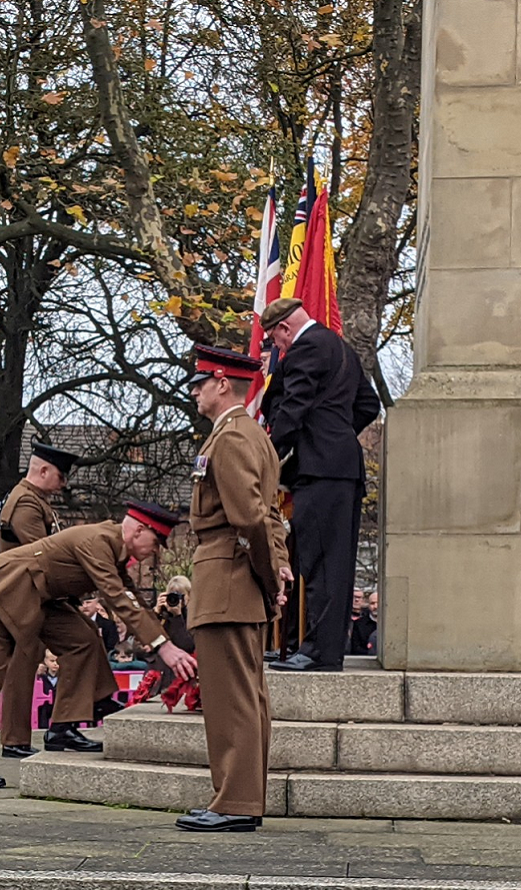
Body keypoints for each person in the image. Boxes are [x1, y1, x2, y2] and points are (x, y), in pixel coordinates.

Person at [0, 503, 198, 789]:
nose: (155, 551)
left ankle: (63, 726)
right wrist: (163, 647)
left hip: (40, 597)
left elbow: (134, 600)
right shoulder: (99, 542)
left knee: (84, 640)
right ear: (139, 530)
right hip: (3, 590)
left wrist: (161, 634)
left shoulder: (112, 549)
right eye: (156, 543)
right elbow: (115, 596)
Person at [174, 344, 293, 833]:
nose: (196, 391)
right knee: (245, 695)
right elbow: (269, 517)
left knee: (231, 699)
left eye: (201, 382)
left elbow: (248, 517)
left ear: (224, 383)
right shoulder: (253, 436)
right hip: (239, 576)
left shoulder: (230, 438)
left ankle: (236, 802)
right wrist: (277, 570)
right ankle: (239, 797)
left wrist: (269, 578)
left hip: (228, 576)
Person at [260, 298, 381, 672]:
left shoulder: (306, 348)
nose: (277, 350)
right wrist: (338, 436)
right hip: (342, 467)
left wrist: (264, 458)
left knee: (319, 565)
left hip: (320, 470)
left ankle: (318, 652)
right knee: (336, 563)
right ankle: (324, 648)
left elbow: (293, 407)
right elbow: (368, 405)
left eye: (275, 341)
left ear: (284, 329)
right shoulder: (341, 348)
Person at [0, 440, 119, 760]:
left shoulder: (36, 501)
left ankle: (67, 721)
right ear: (44, 470)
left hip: (38, 595)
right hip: (26, 595)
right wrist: (74, 585)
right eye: (61, 476)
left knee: (83, 638)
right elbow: (43, 556)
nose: (64, 483)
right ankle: (24, 737)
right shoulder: (25, 504)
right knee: (28, 664)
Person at [146, 576, 196, 691]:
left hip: (180, 682)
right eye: (172, 595)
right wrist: (155, 614)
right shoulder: (160, 615)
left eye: (180, 595)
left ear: (189, 597)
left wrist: (177, 617)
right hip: (156, 681)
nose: (175, 600)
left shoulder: (192, 618)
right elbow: (139, 647)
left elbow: (188, 646)